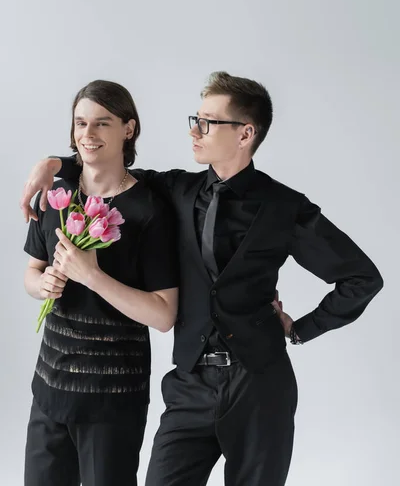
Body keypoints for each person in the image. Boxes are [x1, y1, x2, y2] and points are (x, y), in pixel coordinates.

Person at [21, 71, 383, 486]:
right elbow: (107, 163)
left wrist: (300, 329)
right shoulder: (176, 189)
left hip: (260, 386)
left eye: (208, 122)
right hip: (190, 383)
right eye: (196, 118)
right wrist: (53, 163)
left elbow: (361, 277)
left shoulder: (286, 207)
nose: (195, 129)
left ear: (246, 133)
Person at [22, 80, 178, 486]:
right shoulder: (57, 195)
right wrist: (44, 286)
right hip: (50, 388)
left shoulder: (149, 211)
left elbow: (163, 315)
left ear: (128, 129)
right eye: (80, 123)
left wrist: (91, 276)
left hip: (112, 399)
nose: (87, 136)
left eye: (101, 124)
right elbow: (30, 273)